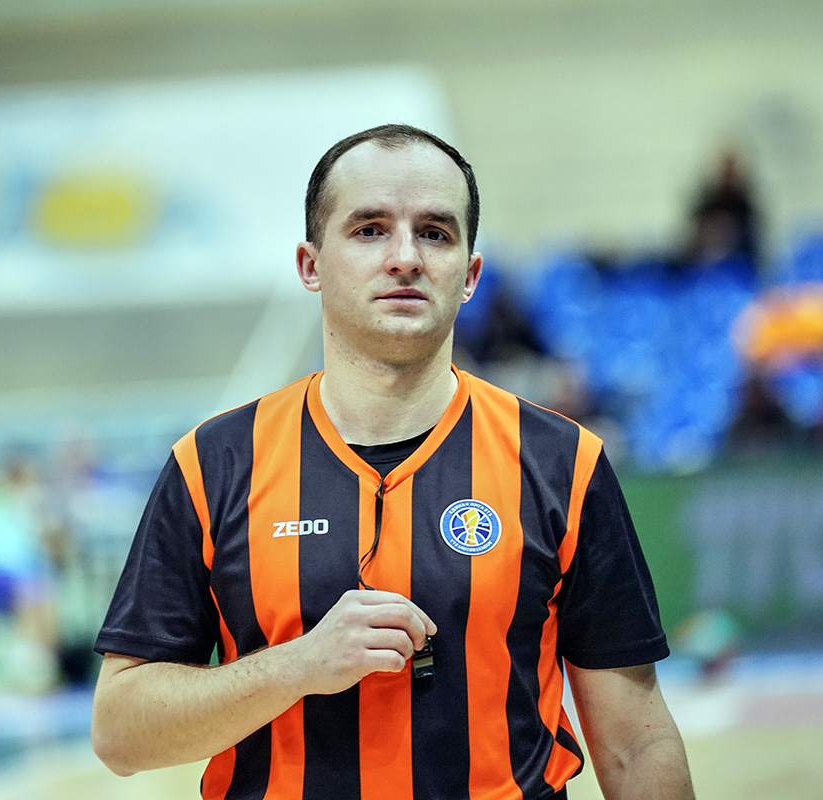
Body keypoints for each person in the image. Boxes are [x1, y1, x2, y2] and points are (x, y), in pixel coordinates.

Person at [91, 124, 693, 800]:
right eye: (370, 230)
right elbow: (121, 733)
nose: (405, 257)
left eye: (434, 233)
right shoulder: (213, 465)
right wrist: (297, 666)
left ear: (469, 276)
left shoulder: (563, 464)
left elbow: (636, 743)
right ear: (311, 265)